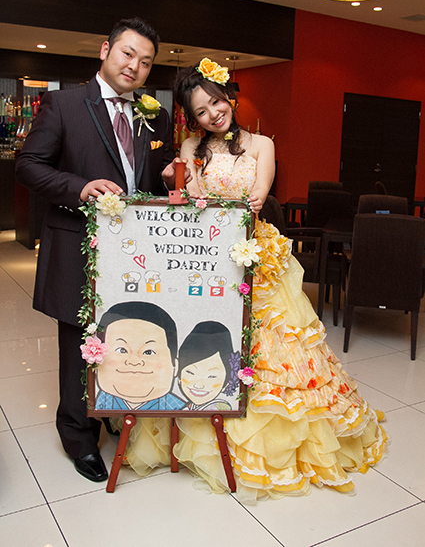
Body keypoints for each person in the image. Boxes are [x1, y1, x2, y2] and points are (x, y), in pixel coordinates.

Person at [123, 58, 388, 503]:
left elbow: (258, 196)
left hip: (253, 250)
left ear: (229, 97)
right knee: (207, 339)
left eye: (216, 103)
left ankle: (269, 442)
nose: (213, 115)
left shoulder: (263, 144)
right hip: (206, 255)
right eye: (201, 111)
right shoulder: (191, 146)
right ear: (193, 118)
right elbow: (187, 199)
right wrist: (178, 182)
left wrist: (227, 203)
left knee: (273, 343)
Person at [15, 17, 190, 483]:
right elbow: (28, 166)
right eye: (128, 53)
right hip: (79, 244)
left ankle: (112, 406)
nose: (135, 66)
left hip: (134, 253)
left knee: (126, 333)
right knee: (80, 343)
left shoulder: (156, 115)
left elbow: (155, 177)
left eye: (146, 62)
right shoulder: (64, 104)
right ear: (104, 50)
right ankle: (78, 437)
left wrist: (169, 178)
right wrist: (79, 187)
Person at [95, 301, 185, 411]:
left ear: (175, 366)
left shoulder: (181, 409)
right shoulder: (97, 403)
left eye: (149, 352)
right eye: (122, 350)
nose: (134, 361)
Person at [177, 321, 239, 411]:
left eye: (212, 376)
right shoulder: (183, 406)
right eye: (190, 373)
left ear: (226, 382)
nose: (198, 385)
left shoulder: (219, 408)